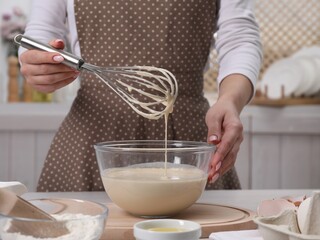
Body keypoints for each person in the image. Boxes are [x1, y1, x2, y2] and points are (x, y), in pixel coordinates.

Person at [19, 0, 262, 191]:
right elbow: (42, 33)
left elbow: (239, 37)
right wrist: (39, 64)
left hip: (190, 142)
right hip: (90, 142)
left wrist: (229, 100)